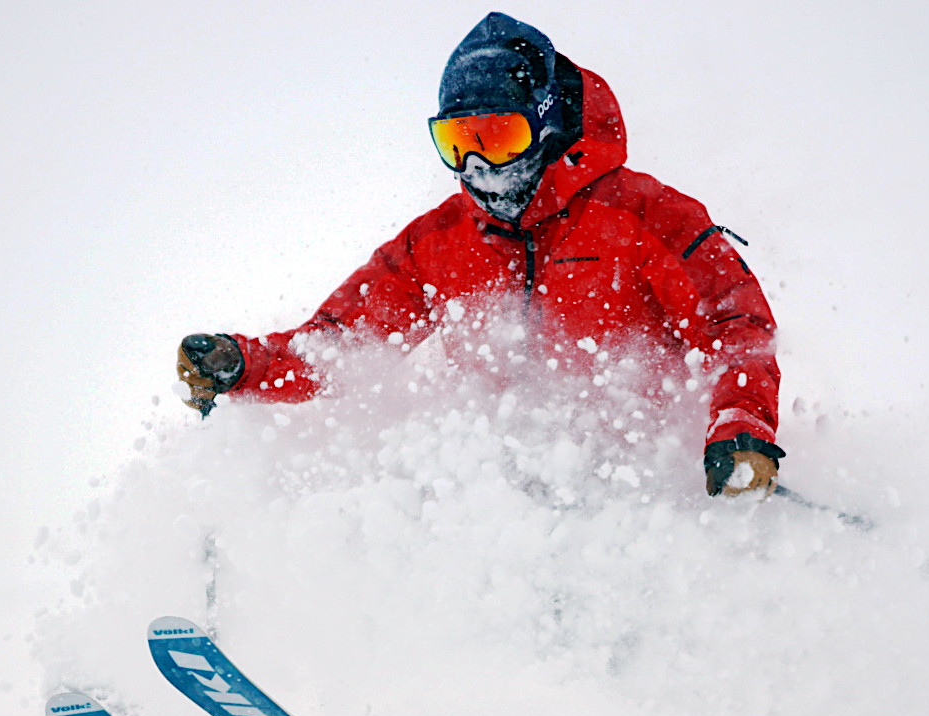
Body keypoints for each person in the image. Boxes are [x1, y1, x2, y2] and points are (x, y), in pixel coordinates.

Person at [177, 12, 783, 498]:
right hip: (504, 499)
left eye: (496, 137)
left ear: (544, 124)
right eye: (457, 141)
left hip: (645, 488)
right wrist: (245, 366)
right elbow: (343, 344)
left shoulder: (647, 218)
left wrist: (741, 426)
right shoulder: (438, 242)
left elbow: (739, 328)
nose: (478, 167)